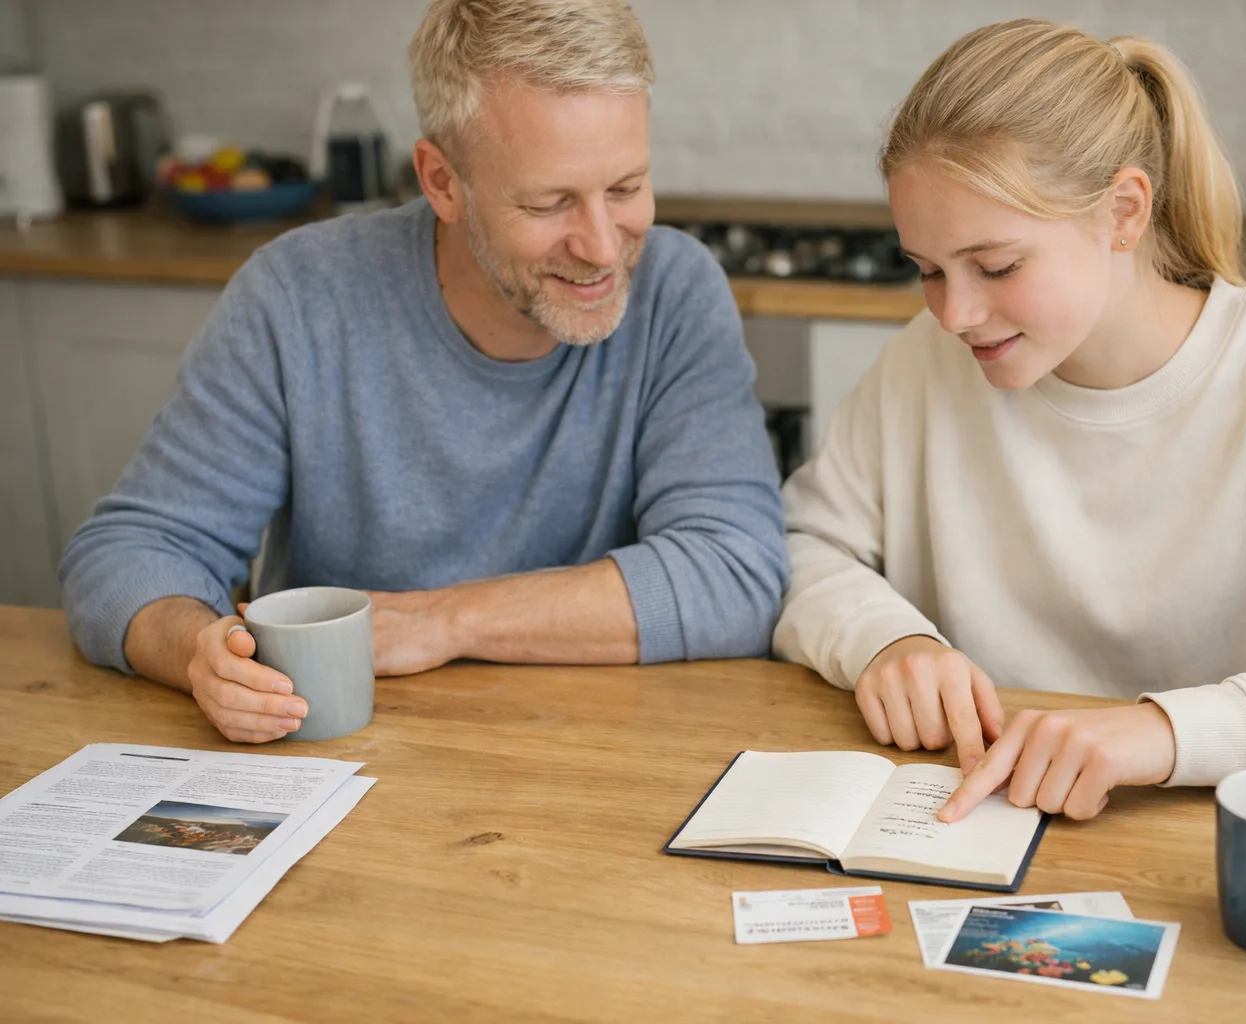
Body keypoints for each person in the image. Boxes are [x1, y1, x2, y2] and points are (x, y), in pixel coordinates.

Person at [772, 18, 1246, 823]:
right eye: (926, 270)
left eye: (997, 266)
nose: (956, 312)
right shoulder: (929, 362)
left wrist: (1165, 733)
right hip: (976, 833)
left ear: (1124, 212)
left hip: (1228, 861)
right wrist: (886, 641)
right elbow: (798, 544)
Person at [60, 0, 788, 743]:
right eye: (549, 202)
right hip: (345, 756)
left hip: (596, 763)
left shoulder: (676, 292)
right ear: (442, 181)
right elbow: (129, 554)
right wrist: (197, 654)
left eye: (626, 188)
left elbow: (736, 573)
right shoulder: (298, 297)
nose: (603, 247)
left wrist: (442, 622)